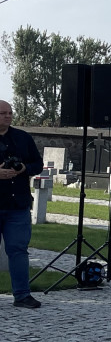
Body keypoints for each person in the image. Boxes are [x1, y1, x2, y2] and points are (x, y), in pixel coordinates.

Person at [0, 100, 43, 309]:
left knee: (18, 250)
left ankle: (22, 295)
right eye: (2, 113)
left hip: (18, 205)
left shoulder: (22, 138)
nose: (7, 116)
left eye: (10, 113)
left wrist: (24, 168)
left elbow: (38, 164)